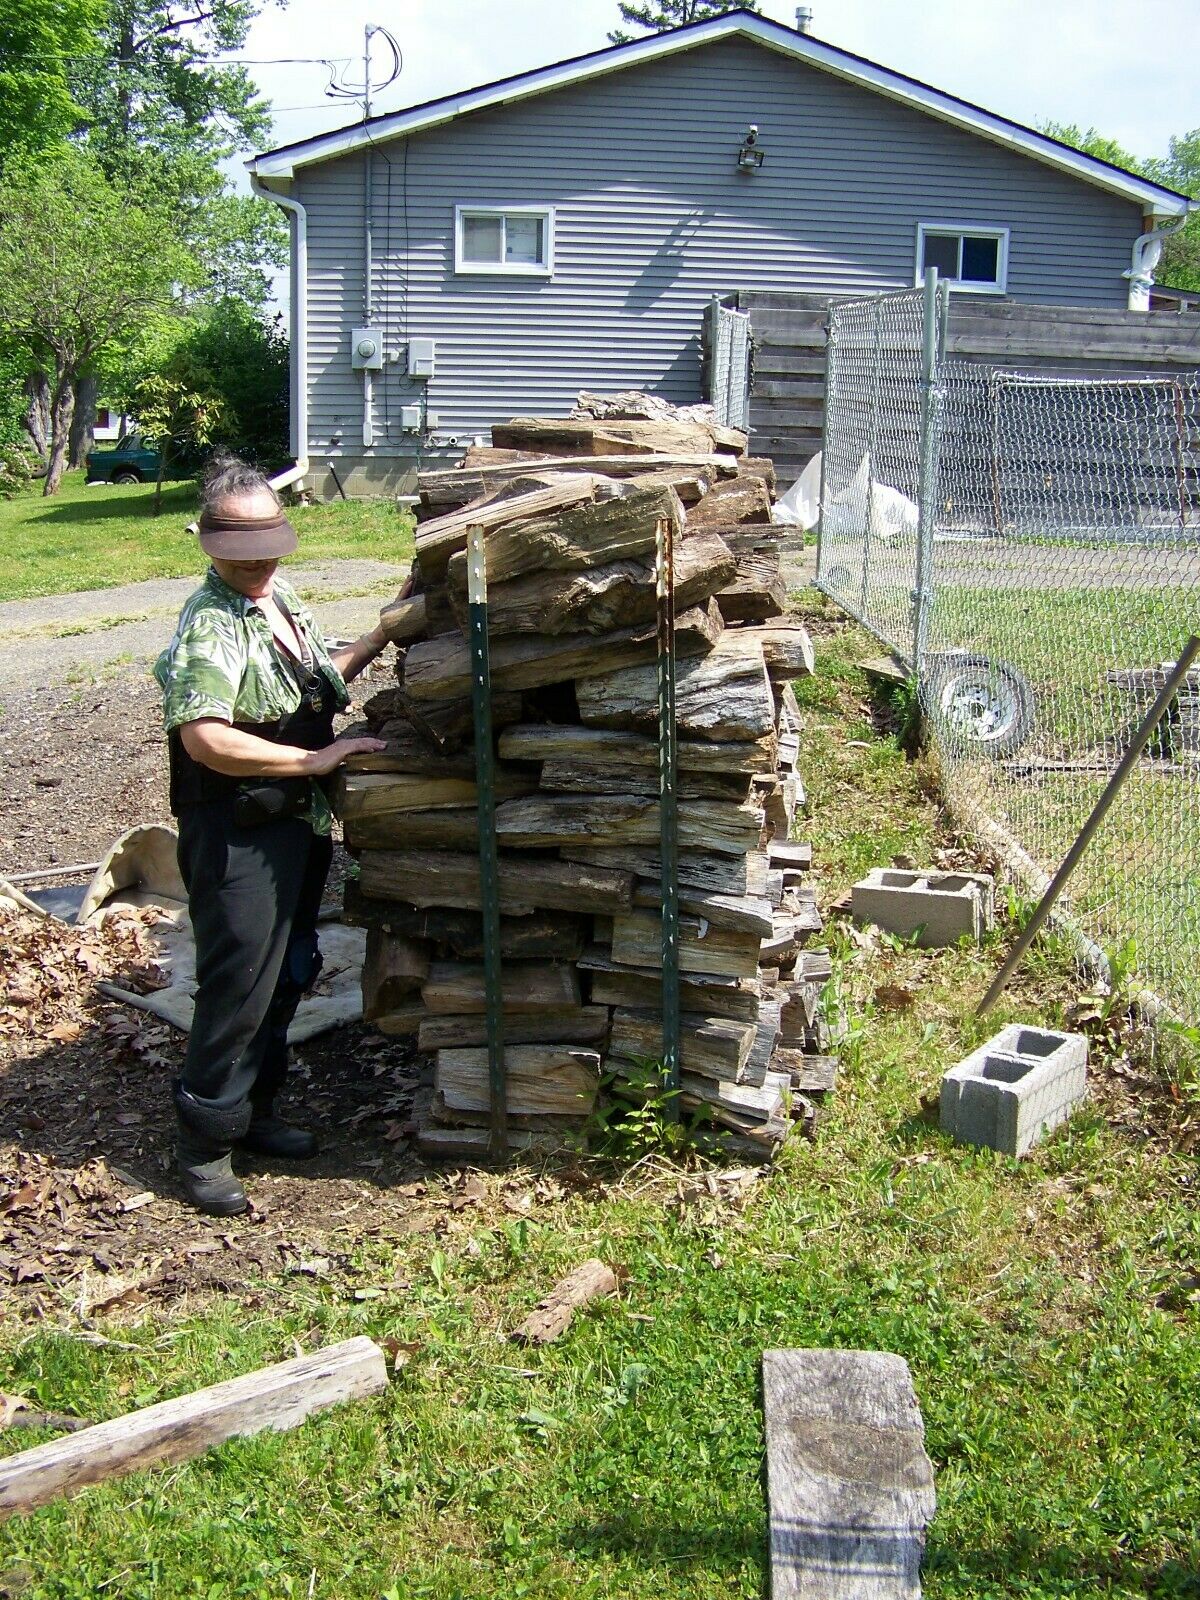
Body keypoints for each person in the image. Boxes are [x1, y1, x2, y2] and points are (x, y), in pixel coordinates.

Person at [154, 454, 399, 1216]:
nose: (259, 567)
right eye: (243, 557)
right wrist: (315, 758)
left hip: (292, 822)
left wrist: (389, 628)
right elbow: (205, 739)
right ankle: (203, 1146)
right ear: (212, 548)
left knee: (291, 968)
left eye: (268, 553)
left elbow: (322, 680)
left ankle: (256, 1113)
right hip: (235, 831)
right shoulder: (210, 626)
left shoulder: (280, 601)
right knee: (238, 985)